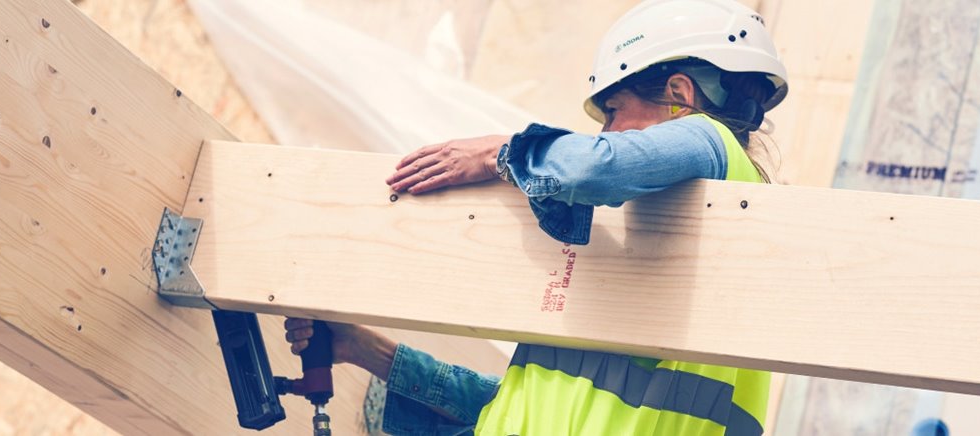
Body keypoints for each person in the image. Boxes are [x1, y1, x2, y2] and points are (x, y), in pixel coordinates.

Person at [284, 0, 789, 434]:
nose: (606, 131)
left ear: (679, 95)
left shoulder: (711, 142)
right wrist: (368, 350)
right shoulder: (650, 286)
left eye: (613, 110)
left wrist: (500, 152)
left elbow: (587, 167)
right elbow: (512, 408)